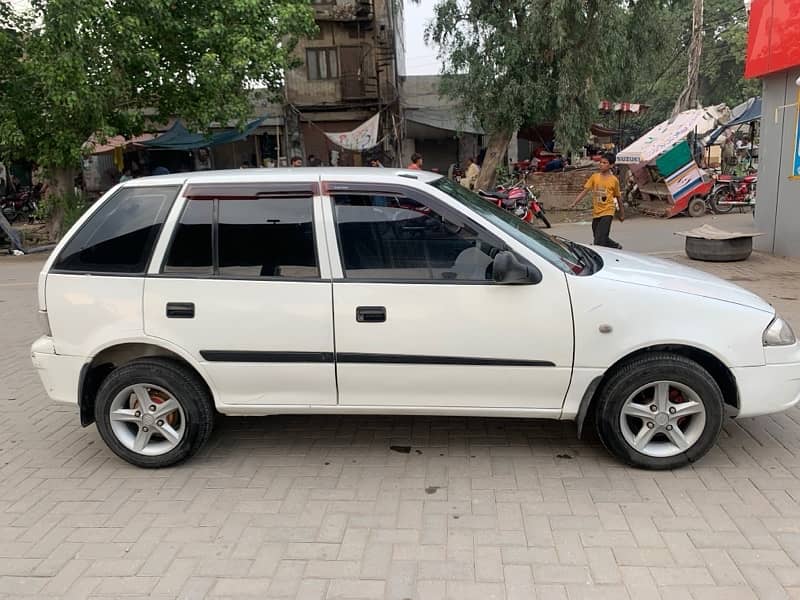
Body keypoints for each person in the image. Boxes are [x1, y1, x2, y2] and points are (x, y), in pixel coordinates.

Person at [569, 153, 624, 249]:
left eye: (604, 163)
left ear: (611, 165)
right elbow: (585, 191)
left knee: (599, 240)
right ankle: (615, 246)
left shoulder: (614, 180)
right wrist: (574, 202)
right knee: (598, 236)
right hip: (597, 212)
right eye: (600, 162)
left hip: (608, 211)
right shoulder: (595, 177)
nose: (601, 164)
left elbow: (618, 197)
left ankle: (599, 255)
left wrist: (621, 213)